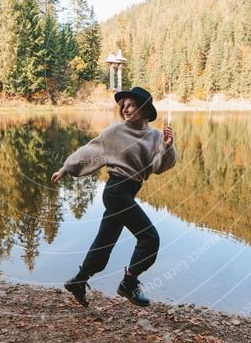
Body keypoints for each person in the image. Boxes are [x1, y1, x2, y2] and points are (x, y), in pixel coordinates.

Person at [51, 87, 176, 308]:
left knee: (104, 243)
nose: (125, 110)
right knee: (150, 239)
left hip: (128, 192)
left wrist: (166, 145)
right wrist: (65, 168)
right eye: (123, 106)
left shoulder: (156, 136)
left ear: (144, 108)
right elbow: (89, 150)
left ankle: (79, 281)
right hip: (116, 191)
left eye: (131, 105)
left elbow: (158, 167)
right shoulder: (115, 131)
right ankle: (129, 283)